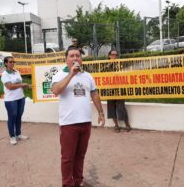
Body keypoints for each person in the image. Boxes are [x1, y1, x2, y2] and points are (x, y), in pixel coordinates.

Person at [51, 47, 105, 187]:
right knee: (68, 158)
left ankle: (78, 181)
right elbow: (56, 91)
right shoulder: (58, 75)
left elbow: (94, 94)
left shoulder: (88, 76)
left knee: (80, 156)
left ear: (81, 58)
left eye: (78, 55)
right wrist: (71, 75)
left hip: (85, 122)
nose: (75, 58)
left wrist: (100, 112)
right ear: (66, 59)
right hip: (68, 123)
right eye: (71, 56)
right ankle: (67, 184)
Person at [1, 56, 30, 145]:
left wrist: (26, 85)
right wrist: (21, 85)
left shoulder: (17, 72)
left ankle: (18, 134)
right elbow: (9, 86)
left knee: (18, 116)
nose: (12, 63)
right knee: (12, 117)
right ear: (6, 63)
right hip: (11, 100)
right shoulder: (4, 74)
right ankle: (12, 136)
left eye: (13, 61)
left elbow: (19, 83)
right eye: (10, 62)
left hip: (21, 98)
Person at [107, 49, 131, 132]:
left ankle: (127, 124)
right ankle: (116, 125)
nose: (115, 56)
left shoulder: (121, 65)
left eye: (116, 55)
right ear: (109, 56)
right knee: (111, 107)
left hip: (120, 88)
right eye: (113, 55)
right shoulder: (105, 66)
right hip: (109, 89)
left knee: (121, 106)